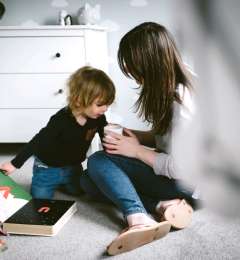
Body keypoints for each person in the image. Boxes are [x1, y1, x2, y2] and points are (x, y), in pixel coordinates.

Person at [80, 22, 198, 255]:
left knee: (98, 162)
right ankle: (164, 204)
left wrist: (136, 151)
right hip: (185, 185)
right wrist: (138, 137)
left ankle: (139, 219)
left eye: (136, 70)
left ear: (151, 65)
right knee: (88, 181)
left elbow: (184, 168)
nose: (135, 79)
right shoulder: (176, 82)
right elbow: (171, 139)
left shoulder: (181, 102)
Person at [0, 66, 116, 199]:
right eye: (99, 105)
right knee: (40, 198)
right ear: (78, 101)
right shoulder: (60, 119)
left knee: (79, 191)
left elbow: (105, 139)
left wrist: (111, 153)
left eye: (107, 104)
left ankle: (64, 182)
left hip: (73, 166)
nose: (105, 109)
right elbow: (38, 141)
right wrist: (14, 164)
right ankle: (52, 182)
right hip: (47, 166)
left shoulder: (98, 118)